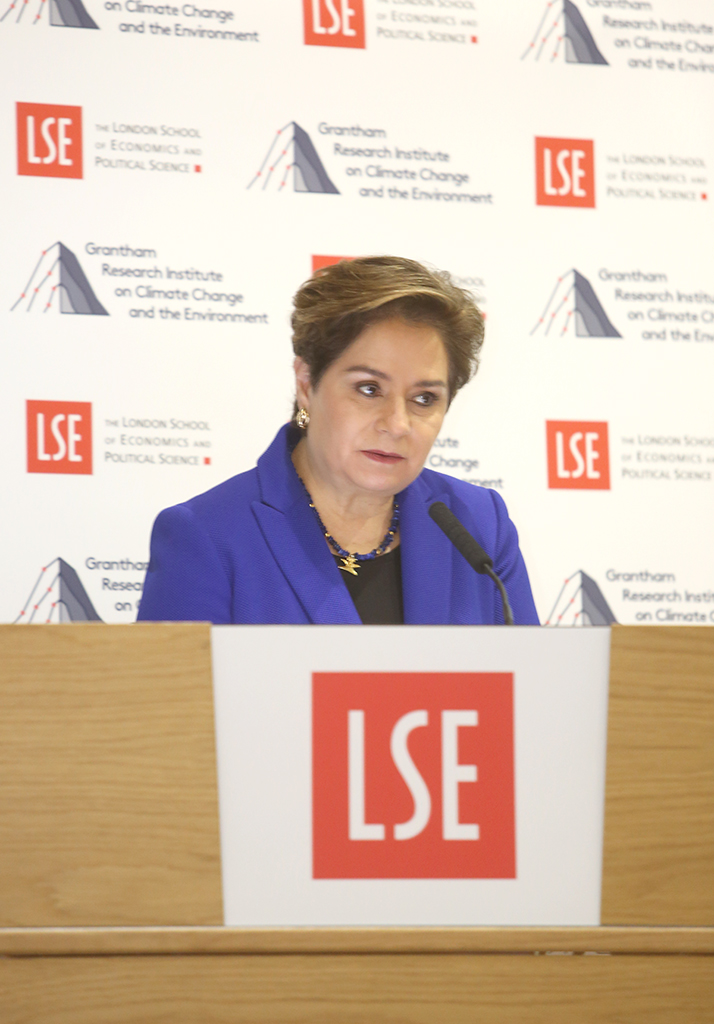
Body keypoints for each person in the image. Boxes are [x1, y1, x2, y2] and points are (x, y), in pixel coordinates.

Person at [137, 256, 539, 625]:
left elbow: (529, 677)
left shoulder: (480, 527)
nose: (397, 424)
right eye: (369, 389)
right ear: (306, 384)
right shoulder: (207, 536)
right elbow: (172, 684)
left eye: (424, 398)